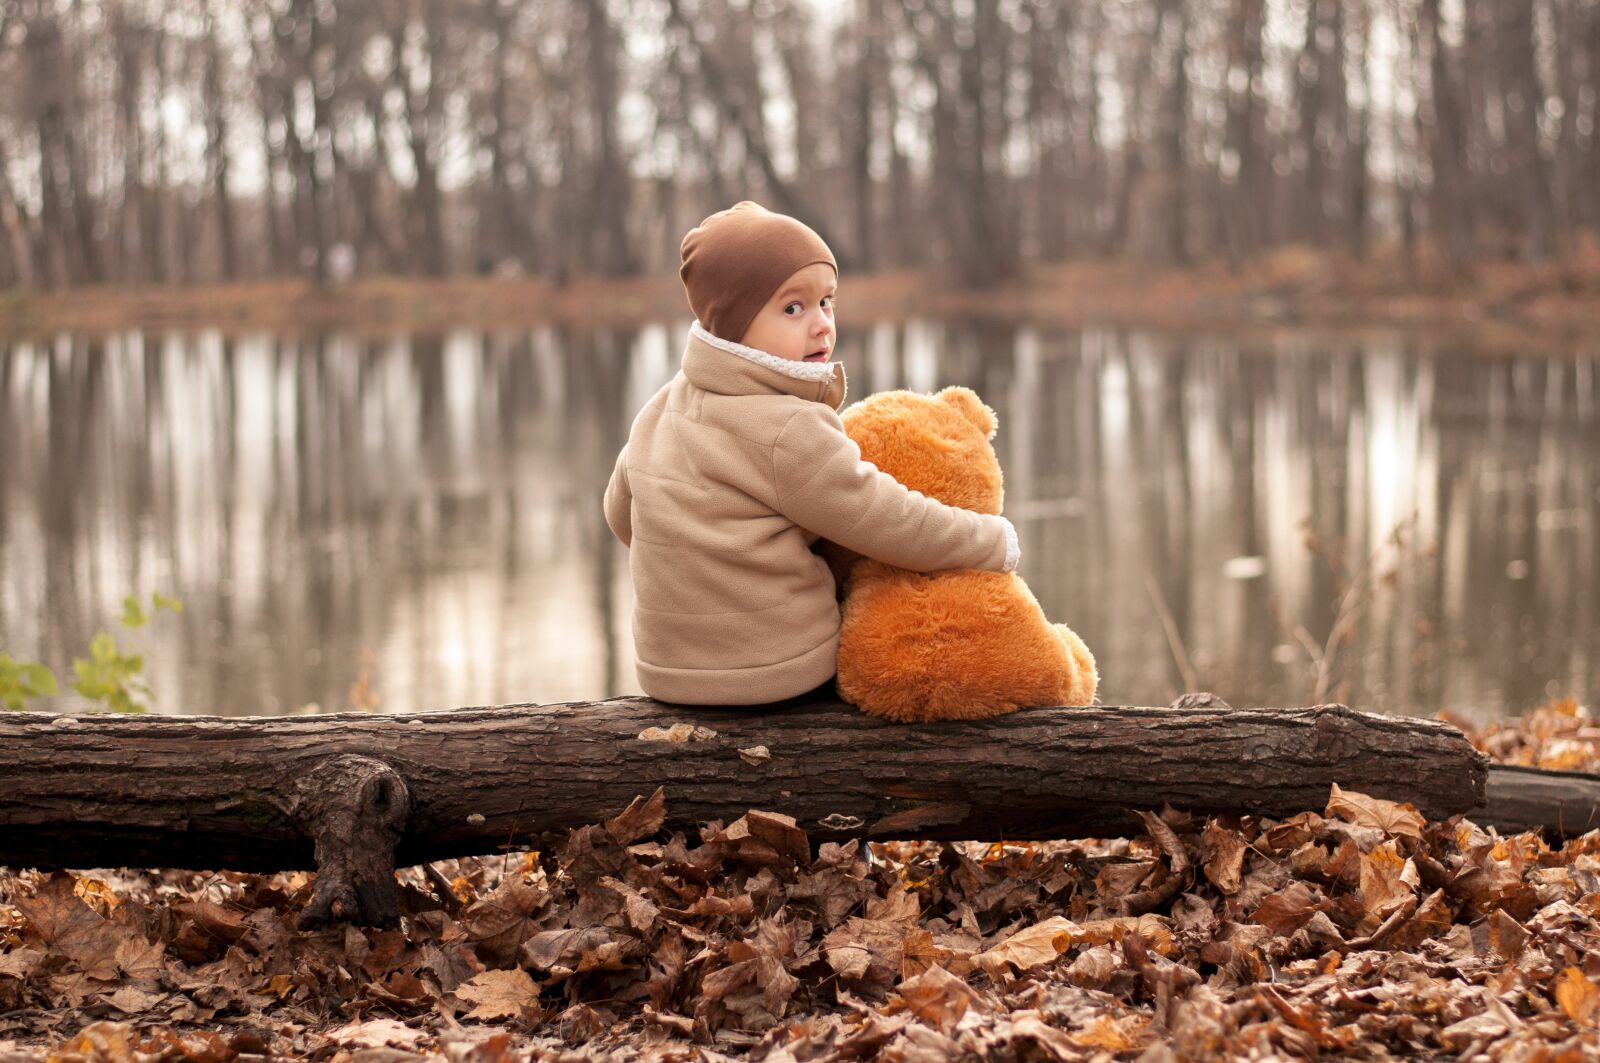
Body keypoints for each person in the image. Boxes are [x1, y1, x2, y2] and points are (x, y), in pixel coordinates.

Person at [603, 201, 1019, 705]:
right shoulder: (788, 428)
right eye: (793, 308)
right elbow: (887, 520)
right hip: (781, 672)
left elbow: (621, 513)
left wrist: (699, 553)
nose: (821, 324)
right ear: (732, 325)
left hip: (666, 675)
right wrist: (991, 542)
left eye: (827, 301)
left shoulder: (662, 407)